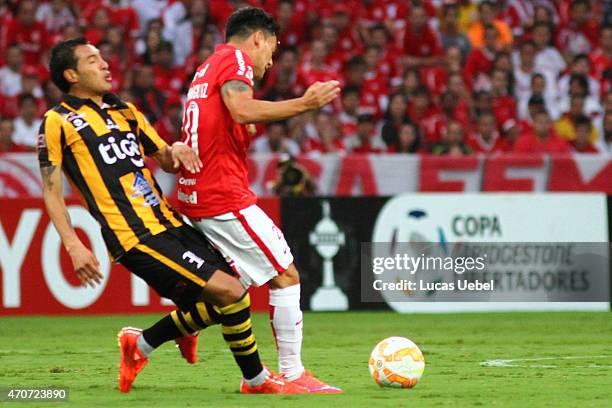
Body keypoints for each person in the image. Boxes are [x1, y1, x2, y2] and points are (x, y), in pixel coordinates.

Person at [39, 38, 304, 395]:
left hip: (169, 220)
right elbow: (51, 191)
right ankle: (255, 380)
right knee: (230, 291)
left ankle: (142, 343)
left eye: (103, 57)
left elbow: (164, 157)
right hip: (133, 234)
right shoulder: (57, 121)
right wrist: (73, 245)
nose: (104, 64)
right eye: (92, 60)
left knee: (233, 292)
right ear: (71, 74)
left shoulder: (125, 111)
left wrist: (176, 147)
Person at [177, 7, 341, 393]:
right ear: (257, 39)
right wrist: (305, 103)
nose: (272, 57)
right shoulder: (235, 59)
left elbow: (230, 118)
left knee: (234, 289)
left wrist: (247, 126)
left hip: (198, 193)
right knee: (286, 273)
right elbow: (240, 107)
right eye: (274, 47)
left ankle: (144, 342)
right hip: (222, 194)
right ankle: (293, 373)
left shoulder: (205, 68)